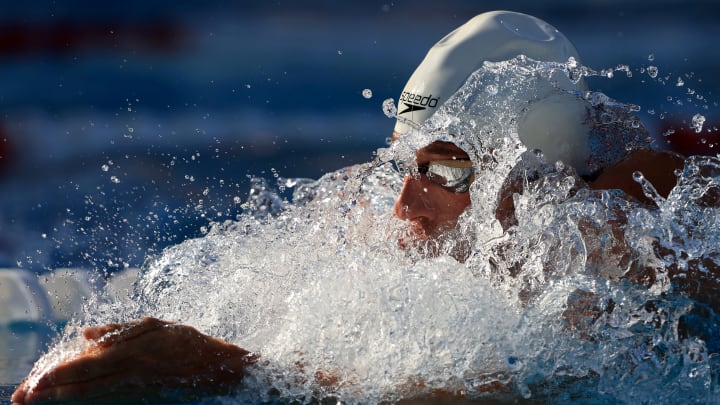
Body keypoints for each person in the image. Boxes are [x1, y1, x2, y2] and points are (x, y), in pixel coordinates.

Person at [12, 10, 689, 404]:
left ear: (535, 179)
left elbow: (526, 390)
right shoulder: (366, 213)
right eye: (402, 165)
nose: (404, 204)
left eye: (444, 169)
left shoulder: (613, 245)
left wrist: (227, 370)